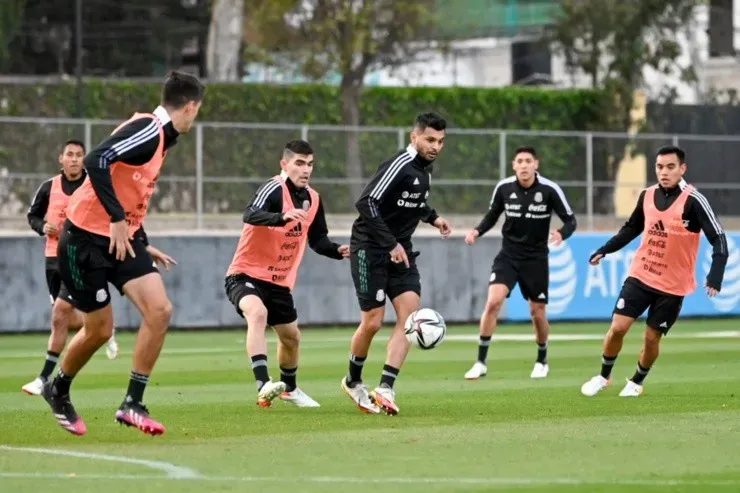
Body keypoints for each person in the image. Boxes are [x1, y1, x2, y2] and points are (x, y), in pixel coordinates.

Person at [41, 71, 204, 436]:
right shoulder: (149, 129)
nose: (196, 117)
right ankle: (58, 387)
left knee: (160, 310)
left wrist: (140, 239)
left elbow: (130, 191)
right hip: (83, 240)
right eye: (198, 110)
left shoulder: (163, 139)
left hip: (122, 240)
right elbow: (97, 159)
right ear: (191, 107)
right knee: (99, 331)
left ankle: (133, 403)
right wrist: (116, 218)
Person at [581, 145, 727, 397]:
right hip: (641, 273)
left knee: (651, 339)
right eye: (660, 167)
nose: (664, 172)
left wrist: (715, 275)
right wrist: (604, 249)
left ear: (682, 169)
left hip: (672, 285)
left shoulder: (694, 201)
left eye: (670, 167)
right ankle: (604, 377)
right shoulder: (647, 195)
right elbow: (631, 228)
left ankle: (637, 381)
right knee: (617, 327)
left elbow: (720, 240)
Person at [341, 112, 452, 416]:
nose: (436, 146)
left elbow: (412, 201)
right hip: (370, 249)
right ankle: (353, 381)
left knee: (410, 316)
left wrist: (434, 218)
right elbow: (366, 202)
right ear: (414, 136)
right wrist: (390, 244)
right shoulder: (400, 164)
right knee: (373, 322)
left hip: (401, 252)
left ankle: (386, 387)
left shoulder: (423, 170)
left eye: (441, 141)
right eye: (430, 139)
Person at [225, 139, 349, 408]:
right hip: (244, 274)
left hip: (279, 283)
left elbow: (318, 240)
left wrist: (339, 250)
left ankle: (289, 390)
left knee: (291, 338)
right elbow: (249, 214)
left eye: (310, 164)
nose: (306, 170)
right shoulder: (273, 188)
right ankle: (262, 385)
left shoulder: (313, 199)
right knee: (257, 314)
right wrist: (281, 218)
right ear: (285, 164)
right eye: (299, 163)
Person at [463, 146, 577, 380]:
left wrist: (561, 234)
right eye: (519, 161)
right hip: (508, 256)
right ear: (514, 165)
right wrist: (476, 231)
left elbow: (571, 220)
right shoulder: (504, 188)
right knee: (493, 302)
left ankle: (542, 360)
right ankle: (481, 362)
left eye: (528, 161)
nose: (524, 165)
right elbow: (492, 216)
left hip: (536, 259)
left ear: (536, 164)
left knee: (537, 311)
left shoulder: (549, 189)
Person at [22, 140, 120, 396]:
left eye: (79, 155)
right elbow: (32, 215)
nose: (75, 159)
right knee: (65, 316)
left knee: (59, 314)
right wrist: (43, 227)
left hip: (80, 256)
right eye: (70, 155)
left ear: (84, 159)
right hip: (53, 258)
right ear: (61, 159)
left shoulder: (95, 183)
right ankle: (104, 329)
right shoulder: (48, 187)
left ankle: (44, 378)